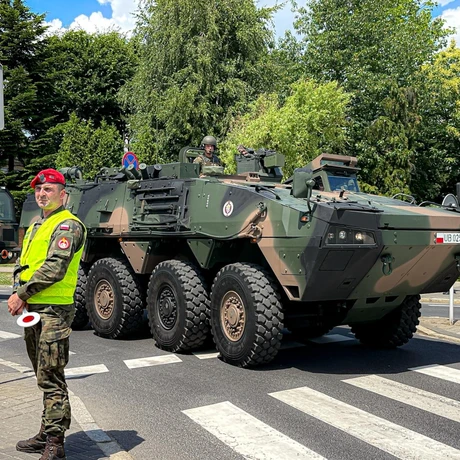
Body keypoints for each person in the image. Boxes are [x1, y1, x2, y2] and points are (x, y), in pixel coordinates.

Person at [7, 168, 87, 460]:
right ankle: (46, 432)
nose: (42, 194)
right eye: (38, 190)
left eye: (48, 189)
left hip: (54, 310)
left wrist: (20, 294)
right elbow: (25, 264)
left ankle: (55, 443)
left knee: (52, 374)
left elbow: (55, 268)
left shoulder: (68, 226)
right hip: (35, 309)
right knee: (43, 373)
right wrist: (21, 290)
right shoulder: (38, 225)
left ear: (63, 194)